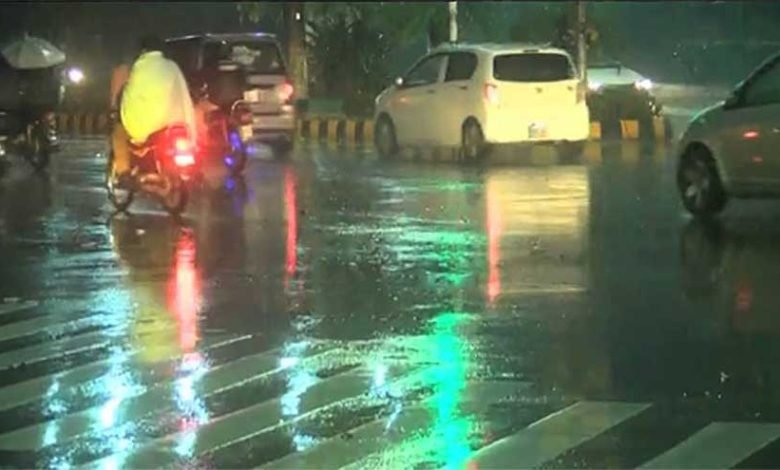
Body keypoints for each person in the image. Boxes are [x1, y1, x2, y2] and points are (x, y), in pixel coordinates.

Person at [110, 34, 196, 187]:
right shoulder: (172, 66)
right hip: (174, 124)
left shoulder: (137, 66)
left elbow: (127, 93)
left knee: (118, 132)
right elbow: (183, 93)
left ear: (143, 50)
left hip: (145, 126)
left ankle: (124, 174)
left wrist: (116, 106)